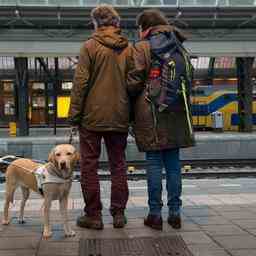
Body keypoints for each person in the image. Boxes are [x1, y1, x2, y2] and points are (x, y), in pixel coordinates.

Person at [127, 9, 195, 231]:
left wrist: (129, 95)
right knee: (174, 164)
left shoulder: (143, 46)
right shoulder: (178, 44)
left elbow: (135, 79)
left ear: (145, 26)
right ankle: (175, 212)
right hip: (176, 111)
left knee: (154, 163)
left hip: (151, 112)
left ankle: (155, 214)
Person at [69, 4, 132, 230]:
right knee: (118, 165)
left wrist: (74, 116)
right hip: (119, 116)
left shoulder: (90, 46)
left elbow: (81, 83)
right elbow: (134, 83)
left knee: (89, 165)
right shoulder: (127, 48)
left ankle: (93, 216)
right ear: (116, 23)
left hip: (92, 118)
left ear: (95, 23)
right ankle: (119, 214)